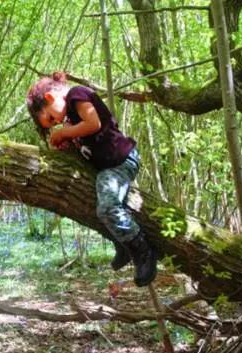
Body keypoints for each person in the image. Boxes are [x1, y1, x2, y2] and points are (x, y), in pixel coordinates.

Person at [26, 72, 157, 286]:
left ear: (50, 97)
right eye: (52, 123)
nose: (56, 122)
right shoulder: (70, 119)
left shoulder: (76, 95)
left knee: (107, 207)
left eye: (51, 118)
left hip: (121, 161)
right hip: (106, 169)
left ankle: (143, 251)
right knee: (97, 206)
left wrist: (65, 133)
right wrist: (65, 144)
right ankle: (122, 243)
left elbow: (93, 123)